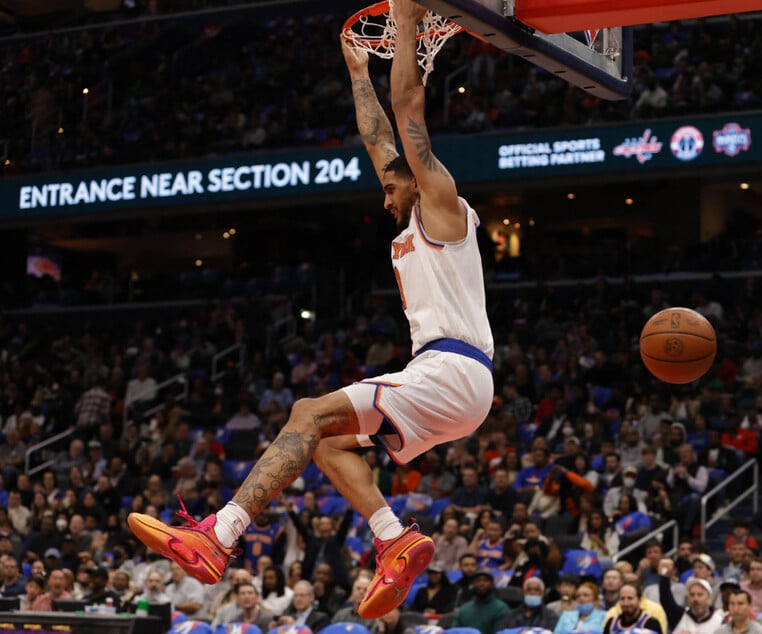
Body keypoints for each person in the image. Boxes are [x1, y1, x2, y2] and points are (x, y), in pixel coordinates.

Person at [126, 0, 495, 621]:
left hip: (453, 370)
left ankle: (219, 536)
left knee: (306, 411)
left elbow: (406, 114)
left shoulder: (441, 203)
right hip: (455, 384)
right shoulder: (409, 205)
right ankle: (393, 538)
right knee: (324, 443)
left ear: (415, 180)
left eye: (389, 185)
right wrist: (357, 72)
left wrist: (405, 17)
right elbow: (380, 138)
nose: (384, 197)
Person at [453, 568, 509, 634]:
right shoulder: (464, 609)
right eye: (478, 580)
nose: (481, 583)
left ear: (492, 584)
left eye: (485, 580)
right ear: (473, 584)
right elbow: (454, 631)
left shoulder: (501, 608)